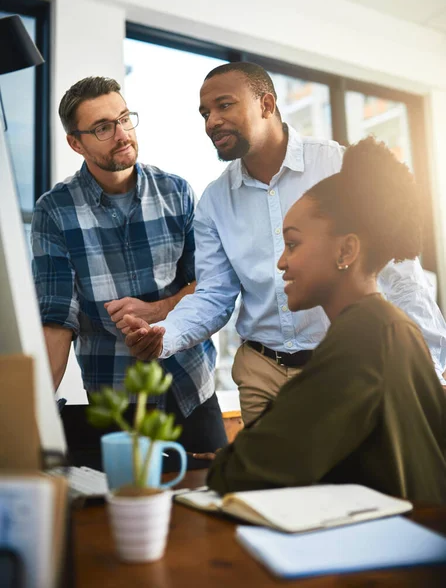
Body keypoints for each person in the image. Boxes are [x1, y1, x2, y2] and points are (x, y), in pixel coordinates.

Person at [124, 62, 446, 427]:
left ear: (266, 104)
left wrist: (431, 370)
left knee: (347, 480)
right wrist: (163, 337)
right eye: (204, 113)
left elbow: (400, 275)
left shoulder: (338, 166)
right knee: (265, 482)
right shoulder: (214, 202)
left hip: (344, 366)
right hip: (262, 374)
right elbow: (214, 295)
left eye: (224, 105)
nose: (211, 121)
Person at [206, 136, 446, 504]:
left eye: (294, 244)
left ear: (346, 250)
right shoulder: (391, 327)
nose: (281, 263)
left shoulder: (362, 339)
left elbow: (241, 472)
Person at [31, 76, 227, 466]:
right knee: (127, 520)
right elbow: (56, 323)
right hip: (119, 405)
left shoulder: (177, 192)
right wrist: (32, 417)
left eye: (124, 118)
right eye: (103, 127)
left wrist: (157, 310)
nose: (121, 134)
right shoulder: (54, 211)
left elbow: (208, 285)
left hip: (192, 391)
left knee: (210, 511)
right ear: (76, 143)